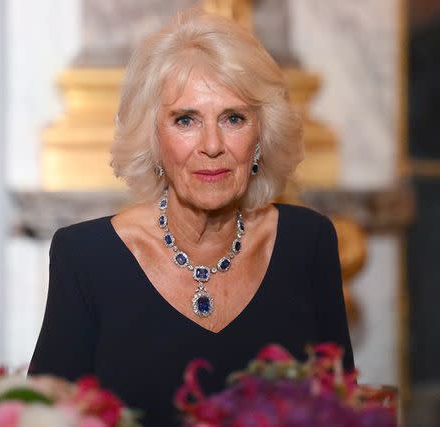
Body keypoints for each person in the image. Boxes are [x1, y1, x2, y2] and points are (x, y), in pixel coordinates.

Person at [29, 10, 353, 427]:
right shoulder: (86, 257)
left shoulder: (308, 243)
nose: (212, 145)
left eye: (233, 118)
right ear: (154, 138)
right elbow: (40, 417)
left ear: (261, 136)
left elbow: (345, 411)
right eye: (186, 120)